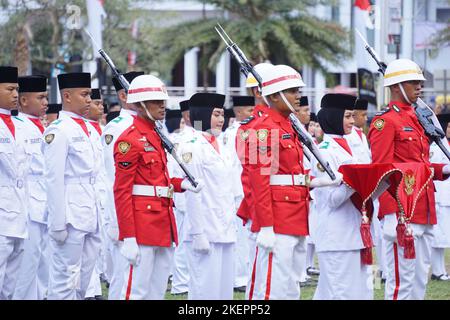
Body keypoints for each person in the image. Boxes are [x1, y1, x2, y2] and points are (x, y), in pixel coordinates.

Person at [247, 65, 342, 300]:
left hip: (297, 214)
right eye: (291, 90)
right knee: (272, 287)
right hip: (278, 218)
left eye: (298, 90)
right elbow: (259, 181)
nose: (298, 95)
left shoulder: (288, 125)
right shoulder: (264, 129)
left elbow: (290, 174)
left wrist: (318, 182)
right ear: (274, 95)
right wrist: (266, 226)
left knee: (291, 286)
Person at [113, 75, 203, 300]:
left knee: (156, 290)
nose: (163, 106)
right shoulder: (129, 140)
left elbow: (158, 181)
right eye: (155, 101)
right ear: (140, 104)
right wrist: (129, 236)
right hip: (142, 226)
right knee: (136, 291)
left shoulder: (155, 135)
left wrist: (182, 184)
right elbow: (122, 191)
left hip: (163, 222)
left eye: (163, 100)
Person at [368, 59, 450, 300]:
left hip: (423, 209)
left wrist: (443, 169)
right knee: (401, 284)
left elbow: (419, 165)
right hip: (402, 212)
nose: (419, 87)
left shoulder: (416, 119)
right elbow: (382, 171)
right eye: (413, 82)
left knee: (418, 281)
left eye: (419, 82)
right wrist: (392, 214)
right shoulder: (386, 122)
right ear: (395, 87)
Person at [43, 72, 102, 300]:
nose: (89, 100)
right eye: (84, 94)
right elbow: (53, 178)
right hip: (70, 216)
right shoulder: (58, 130)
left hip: (91, 212)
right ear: (67, 96)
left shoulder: (88, 129)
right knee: (64, 280)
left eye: (89, 94)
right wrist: (58, 223)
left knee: (83, 282)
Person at [177, 92, 239, 300]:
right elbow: (192, 194)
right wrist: (197, 233)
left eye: (222, 114)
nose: (221, 120)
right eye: (216, 114)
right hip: (204, 229)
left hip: (225, 228)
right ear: (202, 114)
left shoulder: (222, 146)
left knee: (224, 292)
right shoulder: (191, 146)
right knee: (204, 292)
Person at [312, 93, 373, 300]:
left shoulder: (350, 146)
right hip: (335, 235)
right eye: (347, 116)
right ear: (333, 117)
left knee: (354, 293)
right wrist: (356, 182)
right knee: (341, 294)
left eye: (352, 116)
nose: (352, 121)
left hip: (354, 232)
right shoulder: (324, 151)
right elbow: (331, 199)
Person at [101, 71, 144, 300]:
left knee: (140, 279)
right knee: (124, 276)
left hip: (145, 213)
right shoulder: (117, 128)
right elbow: (113, 178)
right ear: (124, 96)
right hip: (123, 212)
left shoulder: (149, 124)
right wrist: (119, 222)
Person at [12, 75, 49, 300]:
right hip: (27, 204)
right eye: (41, 97)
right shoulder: (18, 127)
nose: (46, 102)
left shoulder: (42, 127)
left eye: (46, 97)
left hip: (43, 203)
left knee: (42, 262)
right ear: (24, 101)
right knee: (26, 264)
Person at [0, 66, 30, 300]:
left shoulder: (22, 126)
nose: (15, 94)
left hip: (20, 211)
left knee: (13, 279)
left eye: (17, 90)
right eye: (9, 89)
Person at [221, 95, 255, 292]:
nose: (253, 114)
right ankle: (240, 278)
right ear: (239, 112)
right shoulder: (239, 132)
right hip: (239, 190)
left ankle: (242, 275)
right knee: (242, 238)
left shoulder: (232, 131)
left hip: (237, 189)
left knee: (242, 237)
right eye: (250, 111)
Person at [83, 88, 107, 300]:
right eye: (95, 102)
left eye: (101, 103)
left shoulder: (102, 129)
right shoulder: (84, 130)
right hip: (87, 193)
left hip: (104, 192)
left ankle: (95, 287)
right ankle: (89, 290)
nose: (100, 107)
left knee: (97, 245)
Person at [165, 107, 190, 296]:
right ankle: (180, 282)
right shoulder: (174, 141)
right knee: (181, 243)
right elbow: (171, 170)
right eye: (181, 122)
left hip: (188, 194)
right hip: (180, 196)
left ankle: (183, 280)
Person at [429, 113, 450, 281]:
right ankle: (437, 271)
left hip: (446, 198)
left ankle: (441, 269)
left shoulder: (446, 145)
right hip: (439, 197)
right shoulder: (436, 148)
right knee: (438, 237)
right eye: (448, 126)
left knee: (443, 237)